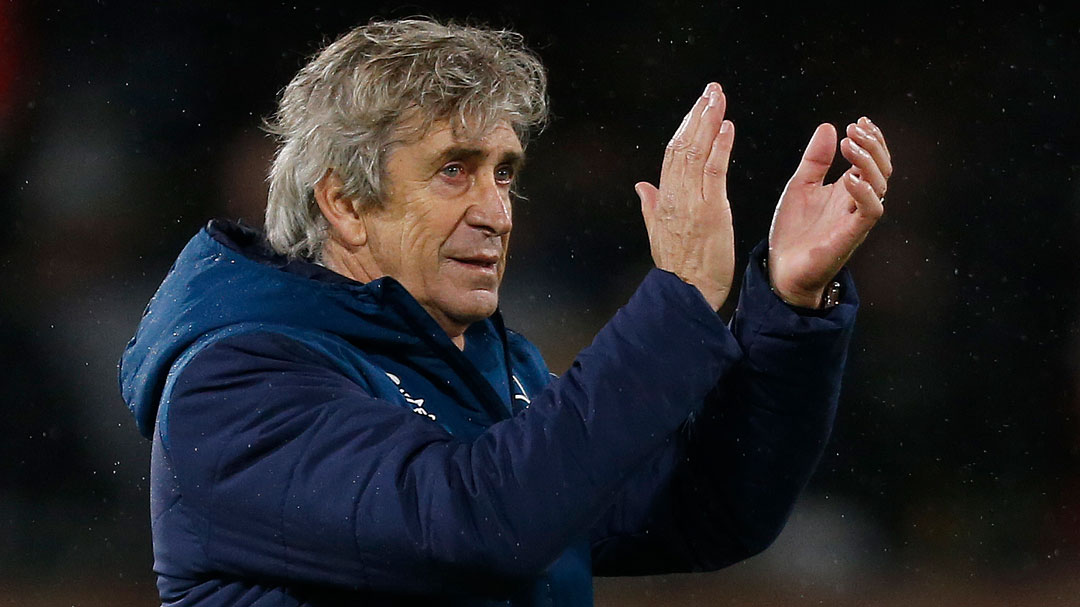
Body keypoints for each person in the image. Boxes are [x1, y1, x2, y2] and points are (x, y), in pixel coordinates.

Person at [119, 18, 891, 607]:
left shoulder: (490, 370)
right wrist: (679, 298)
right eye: (454, 170)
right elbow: (477, 526)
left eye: (505, 172)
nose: (497, 211)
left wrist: (789, 308)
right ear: (346, 203)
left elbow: (711, 508)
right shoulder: (234, 388)